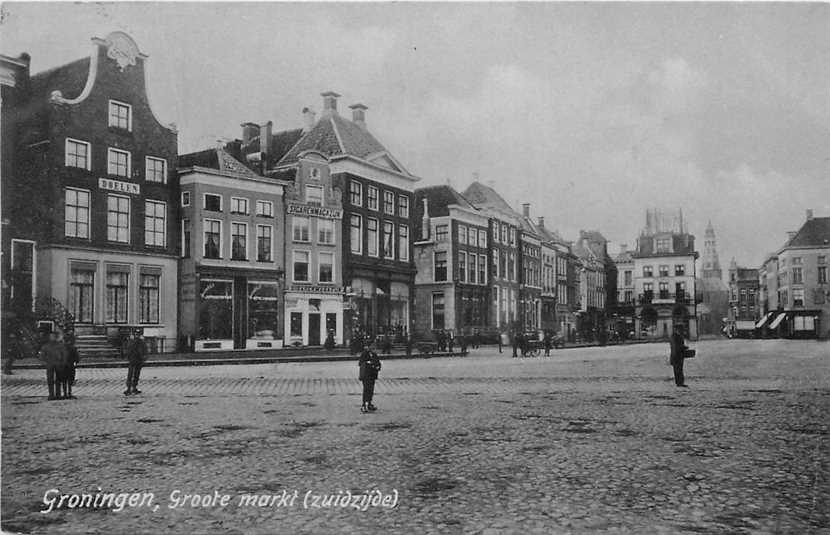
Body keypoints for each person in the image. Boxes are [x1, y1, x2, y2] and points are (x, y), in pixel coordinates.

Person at [38, 330, 68, 400]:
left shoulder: (60, 346)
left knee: (58, 380)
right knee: (50, 380)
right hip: (50, 365)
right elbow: (42, 355)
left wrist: (63, 362)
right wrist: (45, 361)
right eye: (51, 337)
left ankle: (58, 394)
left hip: (59, 365)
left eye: (54, 336)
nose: (52, 338)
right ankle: (51, 394)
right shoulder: (46, 346)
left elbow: (64, 354)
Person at [358, 343, 382, 413]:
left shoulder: (374, 354)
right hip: (366, 375)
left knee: (371, 390)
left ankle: (369, 403)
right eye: (372, 346)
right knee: (366, 389)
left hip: (372, 375)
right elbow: (360, 363)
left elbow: (378, 362)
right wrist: (370, 364)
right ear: (368, 347)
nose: (374, 348)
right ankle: (364, 404)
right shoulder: (364, 354)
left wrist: (378, 366)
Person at [124, 329, 147, 395]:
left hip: (139, 359)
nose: (137, 335)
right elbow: (128, 349)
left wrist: (143, 358)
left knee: (136, 374)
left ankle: (134, 387)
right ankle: (128, 388)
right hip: (133, 359)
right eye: (136, 334)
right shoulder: (132, 341)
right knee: (131, 374)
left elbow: (144, 350)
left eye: (138, 334)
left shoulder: (141, 341)